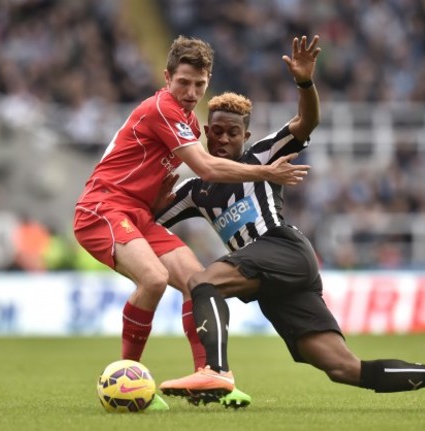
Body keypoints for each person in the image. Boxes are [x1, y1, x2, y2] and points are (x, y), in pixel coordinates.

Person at [155, 35, 425, 413]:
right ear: (204, 132)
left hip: (283, 249)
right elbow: (151, 218)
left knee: (201, 282)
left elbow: (306, 120)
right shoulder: (196, 190)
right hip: (272, 283)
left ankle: (216, 370)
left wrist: (304, 82)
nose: (224, 139)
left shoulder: (262, 155)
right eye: (217, 131)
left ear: (245, 136)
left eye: (233, 133)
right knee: (344, 368)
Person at [73, 35, 309, 410]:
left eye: (199, 84)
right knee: (153, 279)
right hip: (104, 207)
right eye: (183, 82)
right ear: (167, 78)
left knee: (197, 282)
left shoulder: (186, 121)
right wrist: (266, 172)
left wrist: (158, 195)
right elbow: (204, 167)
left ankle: (209, 377)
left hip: (137, 212)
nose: (190, 91)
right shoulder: (163, 107)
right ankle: (127, 381)